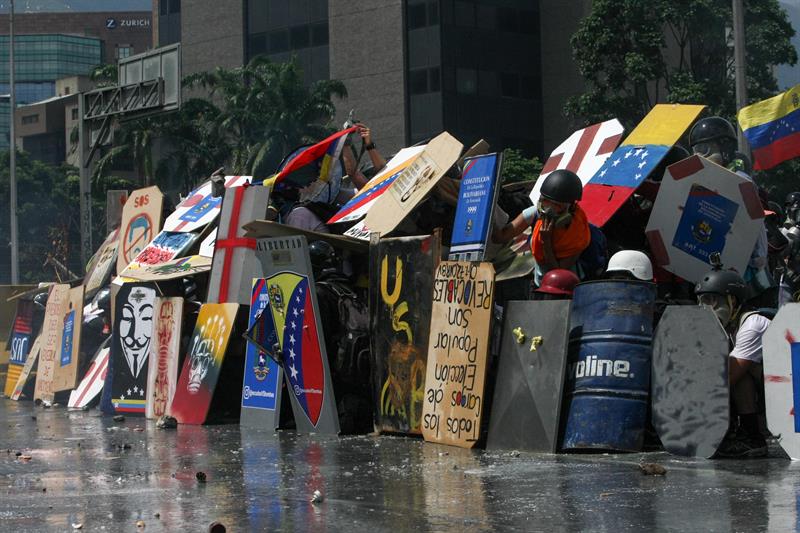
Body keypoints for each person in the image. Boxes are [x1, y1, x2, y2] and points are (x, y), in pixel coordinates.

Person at [689, 116, 770, 297]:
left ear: (725, 149)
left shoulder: (741, 180)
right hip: (708, 269)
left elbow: (757, 227)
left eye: (704, 149)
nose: (699, 156)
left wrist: (758, 260)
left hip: (743, 270)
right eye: (695, 151)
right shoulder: (697, 183)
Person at [695, 268, 771, 458]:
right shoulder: (728, 328)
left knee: (734, 371)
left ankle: (753, 437)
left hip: (788, 390)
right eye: (702, 301)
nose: (706, 308)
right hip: (770, 390)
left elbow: (728, 377)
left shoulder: (752, 324)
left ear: (733, 301)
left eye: (712, 300)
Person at [494, 169, 590, 286]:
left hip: (566, 287)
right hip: (540, 285)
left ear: (570, 206)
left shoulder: (578, 230)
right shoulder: (535, 214)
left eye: (557, 205)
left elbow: (557, 273)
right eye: (545, 201)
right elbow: (501, 237)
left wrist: (546, 242)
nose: (549, 209)